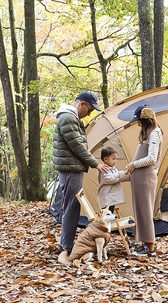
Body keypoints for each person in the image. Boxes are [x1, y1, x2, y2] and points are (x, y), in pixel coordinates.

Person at [53, 91, 109, 258]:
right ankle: (67, 249)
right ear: (82, 103)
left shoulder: (71, 118)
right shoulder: (68, 118)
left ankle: (67, 246)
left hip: (73, 168)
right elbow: (77, 145)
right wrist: (95, 164)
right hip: (71, 169)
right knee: (72, 206)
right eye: (90, 110)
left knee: (72, 206)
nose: (89, 114)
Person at [125, 105, 163, 256]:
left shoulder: (155, 133)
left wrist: (134, 164)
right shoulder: (150, 133)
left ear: (147, 120)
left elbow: (151, 158)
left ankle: (150, 248)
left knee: (145, 212)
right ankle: (144, 244)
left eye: (139, 120)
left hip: (146, 179)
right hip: (140, 179)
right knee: (140, 211)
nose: (138, 123)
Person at [97, 147, 130, 213]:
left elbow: (118, 178)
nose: (115, 161)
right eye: (113, 159)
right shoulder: (103, 169)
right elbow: (110, 179)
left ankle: (109, 222)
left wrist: (128, 176)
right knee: (106, 215)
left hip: (111, 198)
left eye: (115, 159)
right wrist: (122, 173)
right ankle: (103, 223)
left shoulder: (113, 168)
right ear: (105, 159)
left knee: (110, 212)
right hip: (106, 198)